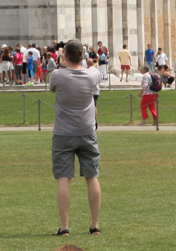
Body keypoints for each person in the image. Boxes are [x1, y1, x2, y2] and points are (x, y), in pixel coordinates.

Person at [48, 40, 102, 238]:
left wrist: (62, 60)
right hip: (87, 131)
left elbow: (53, 89)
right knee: (92, 176)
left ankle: (64, 228)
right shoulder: (93, 74)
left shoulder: (57, 75)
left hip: (63, 132)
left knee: (64, 178)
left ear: (65, 55)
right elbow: (94, 81)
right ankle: (95, 226)